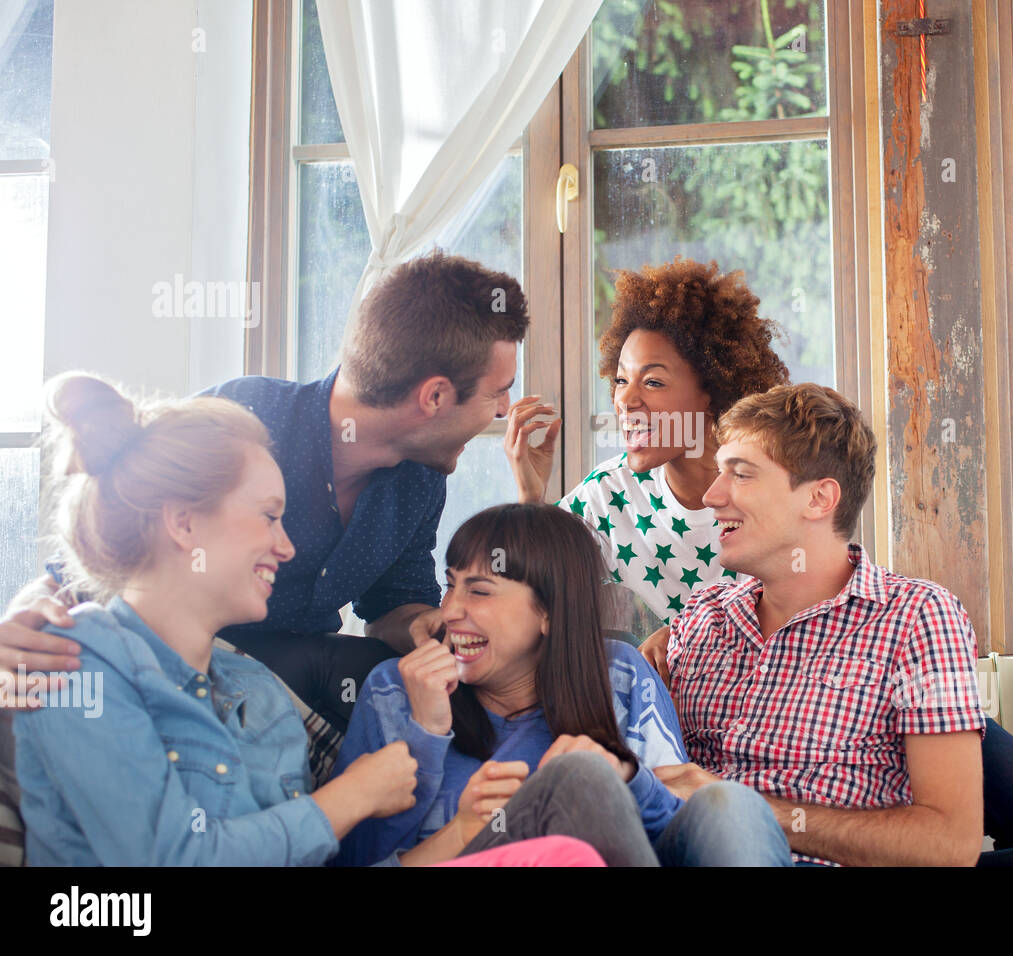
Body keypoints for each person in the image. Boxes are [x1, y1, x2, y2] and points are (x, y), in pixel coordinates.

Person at [13, 374, 642, 868]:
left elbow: (353, 841)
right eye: (267, 516)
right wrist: (350, 797)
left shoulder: (257, 690)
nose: (288, 549)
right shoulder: (71, 661)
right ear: (184, 524)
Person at [1, 250, 528, 735]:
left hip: (287, 682)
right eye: (498, 392)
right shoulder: (246, 418)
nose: (506, 410)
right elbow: (101, 539)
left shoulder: (420, 481)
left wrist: (423, 623)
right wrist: (21, 621)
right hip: (170, 663)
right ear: (434, 396)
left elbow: (390, 605)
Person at [332, 503, 792, 867]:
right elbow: (354, 859)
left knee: (731, 805)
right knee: (579, 775)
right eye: (449, 586)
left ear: (549, 612)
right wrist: (426, 736)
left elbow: (678, 829)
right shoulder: (395, 690)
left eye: (479, 590)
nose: (449, 610)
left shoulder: (620, 674)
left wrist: (627, 777)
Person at [652, 383, 987, 866]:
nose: (711, 495)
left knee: (726, 811)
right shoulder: (701, 617)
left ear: (819, 499)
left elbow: (949, 846)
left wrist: (738, 805)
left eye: (740, 475)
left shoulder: (918, 618)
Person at [504, 258, 789, 633]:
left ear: (712, 390)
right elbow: (525, 596)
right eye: (621, 380)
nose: (625, 400)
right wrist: (530, 498)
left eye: (652, 382)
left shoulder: (773, 493)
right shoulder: (607, 494)